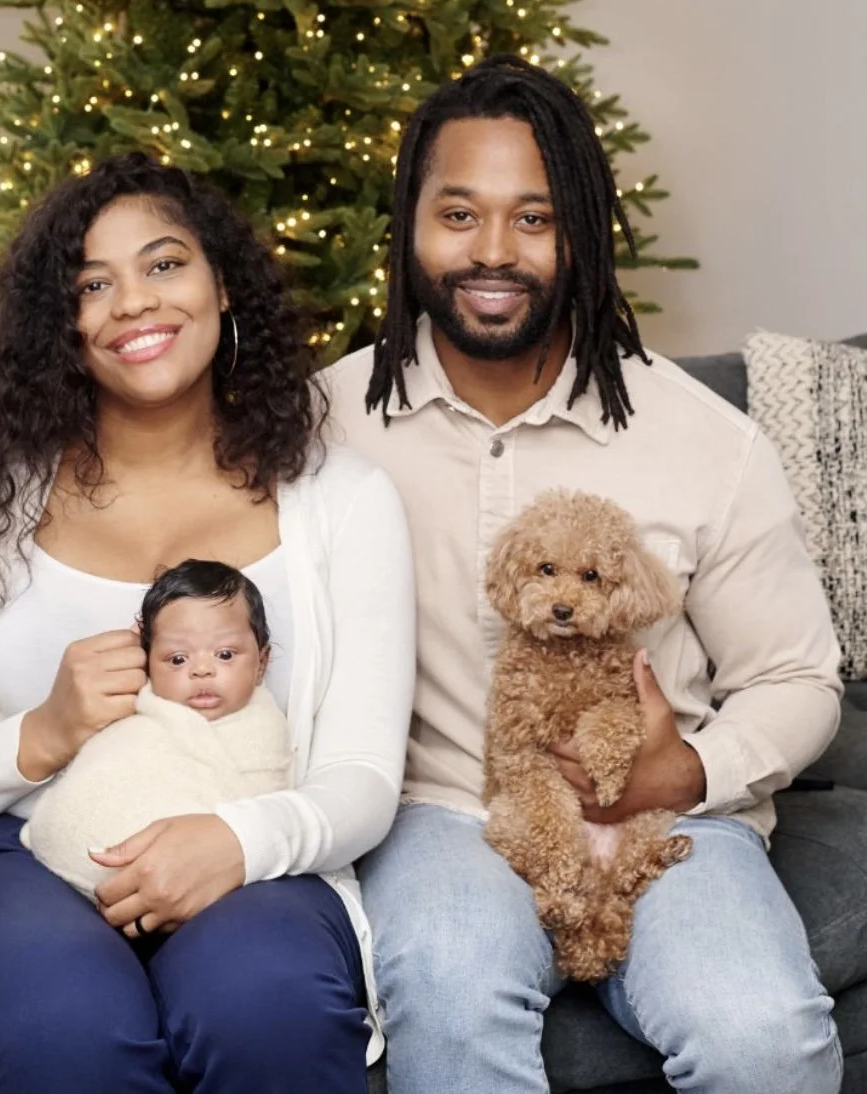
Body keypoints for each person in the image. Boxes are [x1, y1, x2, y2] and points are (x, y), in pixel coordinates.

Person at [0, 152, 415, 1094]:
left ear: (222, 285)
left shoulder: (343, 500)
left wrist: (239, 843)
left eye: (165, 264)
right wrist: (38, 738)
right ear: (63, 326)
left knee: (270, 1013)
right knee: (69, 1029)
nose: (134, 302)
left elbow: (365, 779)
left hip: (249, 848)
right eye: (95, 284)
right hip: (4, 860)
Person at [326, 54, 843, 1094]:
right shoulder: (327, 423)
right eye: (459, 213)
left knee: (762, 1037)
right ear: (410, 225)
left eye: (536, 218)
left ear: (584, 234)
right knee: (453, 997)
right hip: (443, 814)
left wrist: (687, 772)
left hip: (664, 813)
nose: (493, 252)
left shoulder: (704, 439)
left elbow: (798, 679)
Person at [22, 559, 292, 902]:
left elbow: (262, 801)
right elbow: (104, 770)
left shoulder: (262, 730)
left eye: (225, 654)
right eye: (178, 659)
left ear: (261, 663)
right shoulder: (137, 711)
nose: (203, 670)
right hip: (65, 869)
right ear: (148, 661)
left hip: (187, 874)